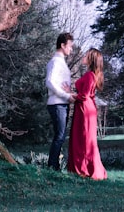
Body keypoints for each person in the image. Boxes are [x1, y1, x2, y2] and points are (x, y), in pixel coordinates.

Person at [67, 47, 108, 180]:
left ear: (91, 59)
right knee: (83, 139)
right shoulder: (90, 74)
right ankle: (83, 169)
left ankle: (87, 170)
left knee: (84, 140)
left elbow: (84, 96)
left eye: (87, 55)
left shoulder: (90, 75)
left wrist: (69, 94)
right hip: (84, 108)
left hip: (85, 110)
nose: (84, 56)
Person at [45, 32, 76, 171]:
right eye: (70, 46)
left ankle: (54, 166)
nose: (71, 49)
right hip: (57, 104)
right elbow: (49, 82)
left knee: (61, 136)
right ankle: (52, 167)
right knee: (59, 136)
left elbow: (59, 82)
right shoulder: (55, 62)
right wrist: (65, 95)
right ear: (62, 45)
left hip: (62, 104)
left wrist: (69, 94)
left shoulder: (61, 61)